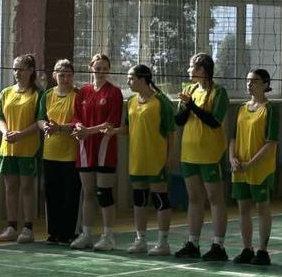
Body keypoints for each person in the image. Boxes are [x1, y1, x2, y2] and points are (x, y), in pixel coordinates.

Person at [109, 64, 176, 256]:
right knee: (139, 199)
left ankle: (163, 242)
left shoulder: (161, 101)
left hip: (156, 160)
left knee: (159, 198)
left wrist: (170, 157)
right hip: (137, 159)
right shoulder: (131, 102)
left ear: (143, 79)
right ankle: (141, 240)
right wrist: (114, 131)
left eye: (131, 78)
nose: (128, 81)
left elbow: (171, 132)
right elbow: (128, 128)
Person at [174, 53, 230, 262]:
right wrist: (185, 106)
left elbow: (214, 121)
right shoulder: (189, 90)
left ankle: (218, 245)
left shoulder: (219, 92)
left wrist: (192, 106)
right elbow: (179, 121)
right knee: (194, 199)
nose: (189, 70)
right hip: (189, 153)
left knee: (215, 199)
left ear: (202, 70)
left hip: (210, 154)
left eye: (192, 67)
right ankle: (193, 243)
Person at [70, 53, 123, 251]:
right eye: (97, 68)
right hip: (85, 150)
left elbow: (111, 123)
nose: (101, 72)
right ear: (90, 68)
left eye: (104, 69)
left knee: (104, 193)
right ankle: (86, 234)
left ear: (108, 70)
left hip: (105, 150)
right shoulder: (83, 92)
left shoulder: (114, 92)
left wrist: (87, 131)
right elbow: (76, 118)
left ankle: (108, 236)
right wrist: (79, 128)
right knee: (88, 193)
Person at [229, 69, 279, 266]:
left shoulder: (270, 109)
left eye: (254, 81)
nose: (250, 84)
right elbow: (233, 137)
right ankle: (247, 248)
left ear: (265, 84)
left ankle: (263, 251)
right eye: (248, 80)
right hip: (240, 167)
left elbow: (271, 143)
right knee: (243, 209)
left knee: (262, 208)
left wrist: (251, 163)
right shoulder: (241, 108)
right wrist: (232, 158)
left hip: (260, 168)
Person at [0, 54, 42, 244]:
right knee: (10, 187)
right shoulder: (6, 93)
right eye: (14, 69)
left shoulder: (37, 94)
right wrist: (6, 132)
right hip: (8, 148)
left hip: (28, 148)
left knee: (27, 187)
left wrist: (21, 134)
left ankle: (28, 228)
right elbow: (0, 118)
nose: (17, 72)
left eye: (20, 69)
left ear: (30, 71)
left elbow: (39, 122)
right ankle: (11, 227)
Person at [37, 59, 81, 245]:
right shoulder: (47, 95)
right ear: (54, 76)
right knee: (52, 193)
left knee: (70, 194)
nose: (65, 78)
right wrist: (46, 126)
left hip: (71, 153)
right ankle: (53, 233)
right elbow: (40, 119)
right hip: (50, 152)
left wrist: (60, 128)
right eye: (61, 75)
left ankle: (68, 232)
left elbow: (79, 123)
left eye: (69, 75)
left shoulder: (77, 95)